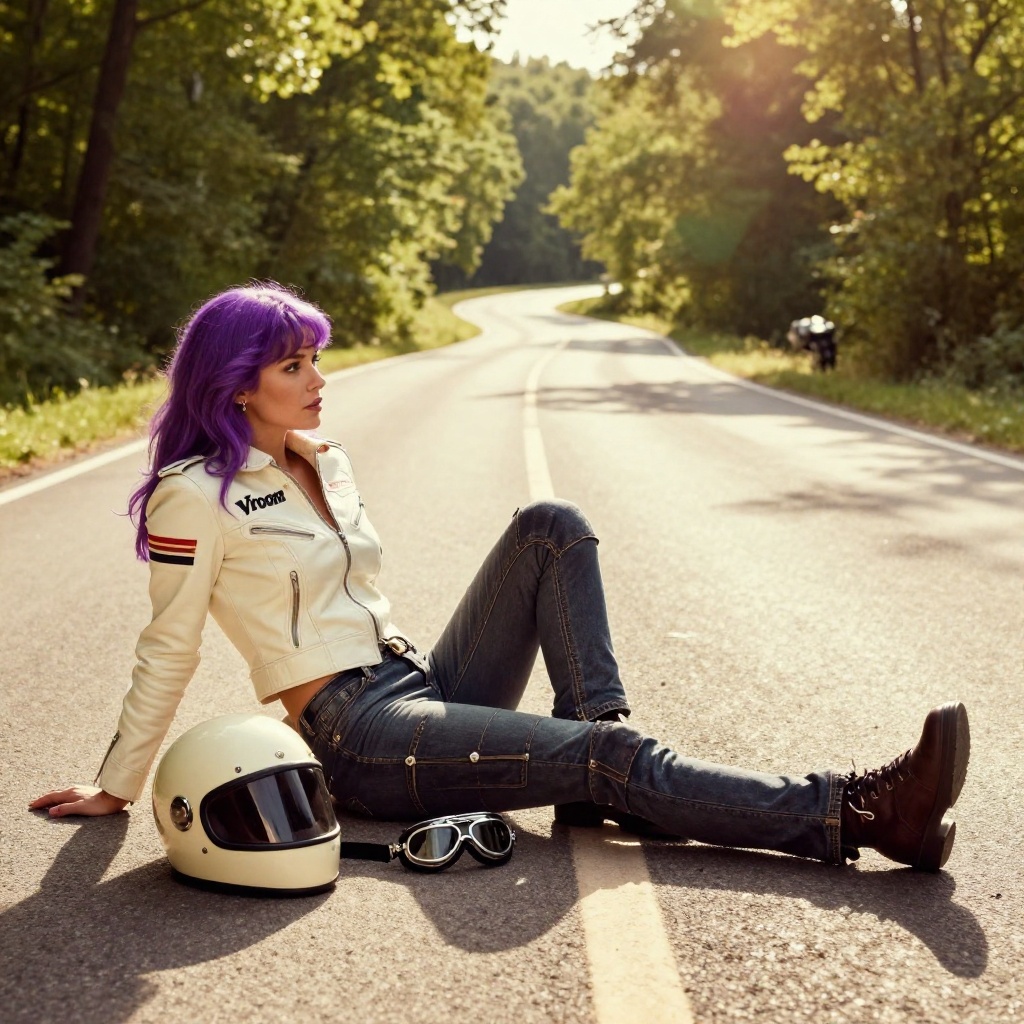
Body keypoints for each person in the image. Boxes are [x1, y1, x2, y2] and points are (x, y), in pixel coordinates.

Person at [30, 282, 970, 873]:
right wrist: (117, 785)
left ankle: (598, 758)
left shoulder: (325, 458)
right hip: (356, 733)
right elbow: (170, 644)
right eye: (291, 364)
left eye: (316, 357)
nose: (318, 376)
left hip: (416, 682)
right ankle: (856, 813)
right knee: (610, 764)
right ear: (237, 384)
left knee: (550, 528)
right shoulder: (195, 496)